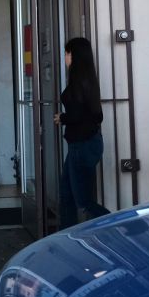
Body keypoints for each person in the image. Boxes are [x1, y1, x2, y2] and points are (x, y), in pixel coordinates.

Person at [53, 37, 110, 228]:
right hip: (85, 143)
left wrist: (63, 117)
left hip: (82, 144)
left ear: (74, 55)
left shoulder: (79, 83)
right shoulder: (87, 80)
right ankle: (66, 236)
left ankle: (120, 226)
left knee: (83, 201)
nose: (65, 57)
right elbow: (96, 115)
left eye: (67, 53)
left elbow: (80, 115)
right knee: (67, 195)